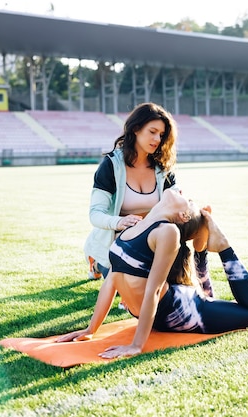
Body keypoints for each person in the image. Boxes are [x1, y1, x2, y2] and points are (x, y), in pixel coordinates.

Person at [57, 189, 248, 359]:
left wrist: (136, 346)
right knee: (213, 301)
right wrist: (90, 329)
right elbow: (112, 280)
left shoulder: (169, 232)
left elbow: (154, 289)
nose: (182, 194)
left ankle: (223, 246)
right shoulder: (132, 227)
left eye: (188, 200)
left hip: (184, 310)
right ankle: (203, 249)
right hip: (163, 314)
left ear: (183, 215)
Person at [84, 102, 214, 298]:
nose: (157, 139)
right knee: (129, 292)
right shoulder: (111, 165)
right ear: (136, 129)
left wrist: (188, 213)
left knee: (203, 220)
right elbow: (95, 214)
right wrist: (120, 221)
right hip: (120, 241)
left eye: (161, 135)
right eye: (152, 131)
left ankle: (204, 283)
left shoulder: (161, 166)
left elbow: (176, 196)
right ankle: (96, 260)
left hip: (153, 238)